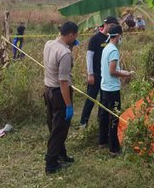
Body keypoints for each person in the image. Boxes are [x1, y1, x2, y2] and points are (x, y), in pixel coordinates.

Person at [43, 21, 79, 174]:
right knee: (59, 130)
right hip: (59, 93)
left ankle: (61, 155)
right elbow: (63, 82)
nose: (75, 38)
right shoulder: (65, 54)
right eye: (74, 36)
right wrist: (69, 105)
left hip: (48, 90)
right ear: (71, 34)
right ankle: (51, 164)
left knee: (55, 125)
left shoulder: (49, 44)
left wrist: (69, 46)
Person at [99, 24, 134, 156]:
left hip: (104, 87)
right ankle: (113, 148)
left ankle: (102, 141)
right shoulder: (113, 50)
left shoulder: (106, 48)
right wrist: (126, 74)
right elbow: (112, 71)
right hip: (112, 89)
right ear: (118, 36)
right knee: (114, 118)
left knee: (104, 116)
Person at [80, 16, 119, 128]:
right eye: (111, 25)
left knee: (104, 100)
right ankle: (83, 122)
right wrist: (90, 74)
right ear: (105, 25)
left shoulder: (111, 39)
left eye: (114, 26)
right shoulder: (95, 38)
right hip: (95, 74)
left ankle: (100, 121)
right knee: (91, 99)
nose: (112, 28)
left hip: (105, 75)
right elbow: (89, 56)